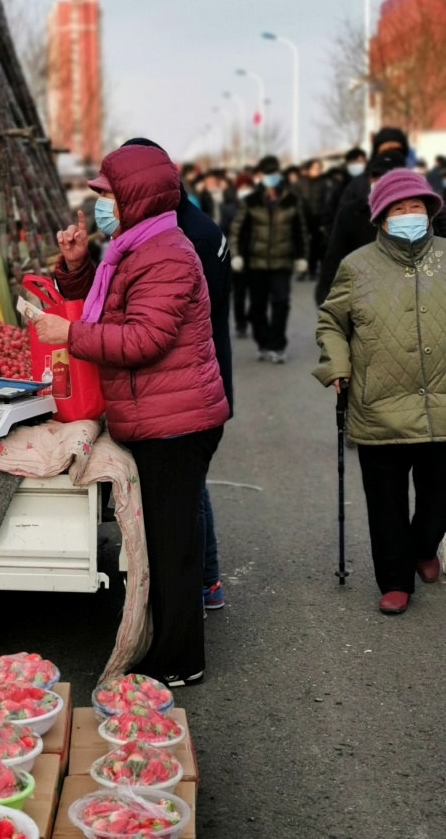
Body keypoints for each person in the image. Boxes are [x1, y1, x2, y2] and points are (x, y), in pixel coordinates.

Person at [33, 143, 229, 685]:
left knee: (173, 547)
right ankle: (165, 647)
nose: (102, 205)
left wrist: (69, 335)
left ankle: (180, 660)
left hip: (178, 421)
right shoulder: (132, 246)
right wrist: (76, 270)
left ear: (136, 197)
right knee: (162, 542)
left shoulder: (165, 251)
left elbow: (144, 337)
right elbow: (114, 308)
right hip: (157, 414)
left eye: (109, 195)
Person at [314, 168, 446, 615]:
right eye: (398, 208)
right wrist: (336, 365)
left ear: (430, 211)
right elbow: (332, 322)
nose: (410, 214)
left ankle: (425, 547)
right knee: (386, 504)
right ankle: (395, 580)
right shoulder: (357, 267)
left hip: (442, 404)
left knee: (439, 498)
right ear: (381, 218)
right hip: (379, 403)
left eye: (417, 207)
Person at [122, 136, 233, 613]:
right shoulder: (164, 229)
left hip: (189, 385)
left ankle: (204, 580)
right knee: (184, 491)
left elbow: (157, 329)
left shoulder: (189, 237)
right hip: (184, 381)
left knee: (188, 492)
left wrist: (74, 333)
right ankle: (195, 579)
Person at [230, 154, 309, 363]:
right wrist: (236, 254)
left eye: (273, 173)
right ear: (260, 176)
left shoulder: (292, 200)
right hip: (256, 263)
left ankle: (277, 345)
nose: (270, 177)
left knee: (281, 302)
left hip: (282, 262)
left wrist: (302, 256)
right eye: (266, 174)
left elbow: (300, 231)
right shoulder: (251, 201)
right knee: (257, 306)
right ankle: (263, 342)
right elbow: (237, 230)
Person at [314, 150, 406, 305]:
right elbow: (335, 257)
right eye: (376, 176)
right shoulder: (352, 212)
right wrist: (325, 298)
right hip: (364, 300)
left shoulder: (421, 212)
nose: (381, 181)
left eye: (388, 176)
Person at [224, 172, 255, 338]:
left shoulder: (258, 207)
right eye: (242, 187)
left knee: (257, 292)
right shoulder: (229, 209)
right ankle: (241, 324)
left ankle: (251, 317)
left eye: (248, 187)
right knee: (239, 293)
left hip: (256, 255)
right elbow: (224, 231)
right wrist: (232, 254)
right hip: (236, 255)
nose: (245, 190)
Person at [322, 146, 367, 235]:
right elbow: (329, 215)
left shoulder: (371, 184)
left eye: (360, 161)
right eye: (354, 162)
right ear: (347, 164)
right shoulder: (339, 187)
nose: (357, 165)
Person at [297, 158, 327, 280]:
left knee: (316, 245)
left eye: (319, 168)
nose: (317, 171)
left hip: (318, 218)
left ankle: (313, 270)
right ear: (308, 169)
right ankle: (302, 270)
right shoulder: (300, 184)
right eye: (314, 168)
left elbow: (326, 201)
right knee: (303, 245)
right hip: (303, 217)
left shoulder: (323, 184)